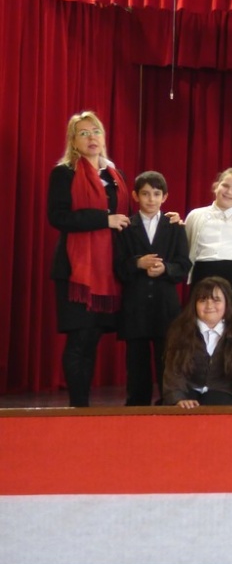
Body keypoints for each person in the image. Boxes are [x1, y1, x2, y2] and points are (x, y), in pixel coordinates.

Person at [47, 110, 130, 407]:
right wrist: (104, 219)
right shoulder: (64, 173)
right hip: (76, 272)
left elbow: (127, 219)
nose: (91, 137)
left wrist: (166, 221)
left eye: (96, 131)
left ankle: (83, 408)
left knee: (93, 336)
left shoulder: (114, 176)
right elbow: (58, 217)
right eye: (83, 133)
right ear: (73, 140)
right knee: (79, 338)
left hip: (108, 269)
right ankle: (78, 406)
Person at [114, 170, 192, 405]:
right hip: (135, 304)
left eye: (156, 194)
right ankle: (137, 404)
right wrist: (137, 263)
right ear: (135, 196)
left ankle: (169, 401)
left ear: (164, 197)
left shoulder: (175, 226)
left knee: (166, 357)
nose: (151, 199)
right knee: (136, 360)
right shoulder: (125, 226)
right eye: (145, 194)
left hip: (165, 304)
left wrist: (165, 268)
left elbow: (184, 265)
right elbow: (117, 266)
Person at [162, 277, 232, 407]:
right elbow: (174, 370)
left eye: (216, 300)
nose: (209, 306)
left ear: (227, 302)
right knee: (185, 413)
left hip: (222, 389)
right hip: (187, 388)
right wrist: (178, 398)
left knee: (215, 411)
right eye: (203, 300)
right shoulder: (180, 329)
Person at [185, 167, 232, 313]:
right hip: (203, 274)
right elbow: (187, 245)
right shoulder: (195, 216)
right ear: (216, 186)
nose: (229, 192)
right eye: (225, 185)